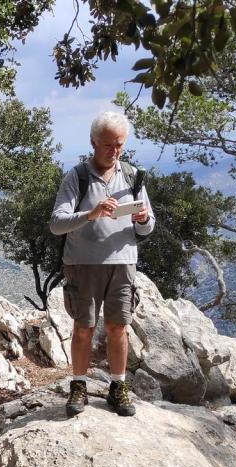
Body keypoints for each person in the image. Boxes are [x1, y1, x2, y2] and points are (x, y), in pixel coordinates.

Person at [49, 111, 156, 418]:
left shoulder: (134, 177)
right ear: (93, 142)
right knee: (84, 327)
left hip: (123, 264)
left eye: (119, 144)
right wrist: (90, 214)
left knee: (118, 326)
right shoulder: (77, 177)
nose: (114, 150)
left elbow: (148, 228)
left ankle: (118, 387)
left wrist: (144, 219)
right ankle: (79, 385)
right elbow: (57, 224)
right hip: (82, 264)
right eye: (108, 144)